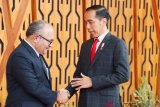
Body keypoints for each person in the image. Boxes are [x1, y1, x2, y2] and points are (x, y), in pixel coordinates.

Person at [58, 5, 130, 107]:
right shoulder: (86, 45)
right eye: (86, 22)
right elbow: (79, 75)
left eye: (91, 22)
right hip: (85, 102)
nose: (87, 27)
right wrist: (67, 92)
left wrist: (93, 81)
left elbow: (123, 75)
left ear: (103, 22)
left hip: (106, 103)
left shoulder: (117, 43)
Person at [5, 20, 68, 107]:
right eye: (50, 41)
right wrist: (56, 96)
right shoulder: (20, 56)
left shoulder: (36, 53)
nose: (51, 45)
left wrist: (54, 94)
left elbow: (41, 83)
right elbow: (33, 86)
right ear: (36, 38)